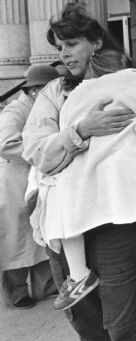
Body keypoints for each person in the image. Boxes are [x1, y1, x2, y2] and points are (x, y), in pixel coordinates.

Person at [22, 2, 136, 341]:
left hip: (118, 222)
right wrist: (81, 130)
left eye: (72, 44)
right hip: (67, 224)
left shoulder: (132, 86)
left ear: (97, 43)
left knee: (125, 323)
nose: (64, 54)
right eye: (59, 47)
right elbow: (36, 152)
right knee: (87, 323)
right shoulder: (55, 92)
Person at [0, 65, 59, 309]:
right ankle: (17, 291)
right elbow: (5, 144)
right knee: (16, 238)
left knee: (40, 232)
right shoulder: (15, 111)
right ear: (35, 90)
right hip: (14, 180)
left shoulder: (41, 107)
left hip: (36, 176)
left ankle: (46, 285)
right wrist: (41, 149)